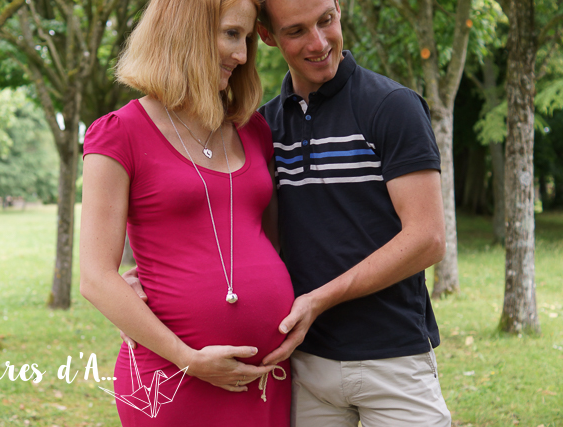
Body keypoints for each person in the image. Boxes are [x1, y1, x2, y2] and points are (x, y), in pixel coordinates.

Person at [79, 0, 294, 425]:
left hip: (265, 380)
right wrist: (188, 359)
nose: (243, 55)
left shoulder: (253, 130)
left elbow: (269, 244)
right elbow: (95, 277)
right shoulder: (118, 133)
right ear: (186, 31)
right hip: (172, 377)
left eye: (247, 39)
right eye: (231, 34)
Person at [253, 0, 453, 425]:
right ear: (267, 36)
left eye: (326, 20)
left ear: (339, 8)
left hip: (395, 361)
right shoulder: (262, 127)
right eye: (296, 31)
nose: (319, 43)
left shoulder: (394, 106)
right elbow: (246, 232)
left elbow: (428, 239)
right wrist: (152, 276)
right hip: (303, 365)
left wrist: (319, 299)